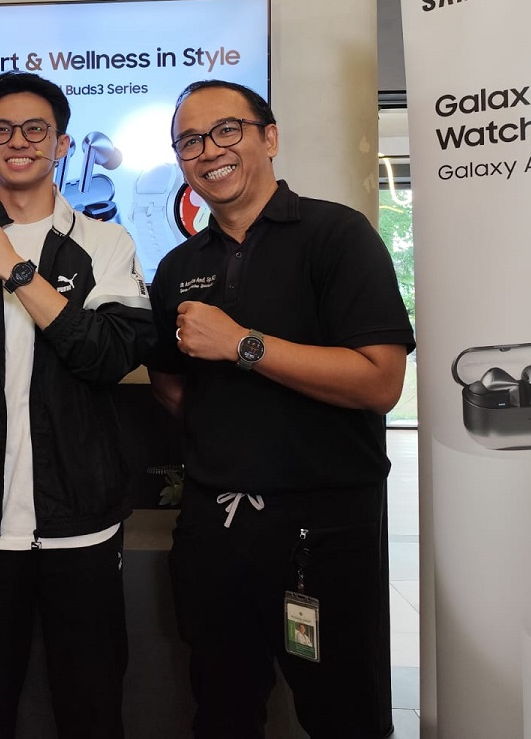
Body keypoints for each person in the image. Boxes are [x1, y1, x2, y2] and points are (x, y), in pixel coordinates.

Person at [145, 80, 414, 739]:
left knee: (342, 713)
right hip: (215, 530)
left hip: (323, 534)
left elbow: (381, 382)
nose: (209, 151)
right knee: (222, 710)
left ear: (268, 137)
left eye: (226, 130)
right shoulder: (178, 267)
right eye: (189, 141)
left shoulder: (337, 235)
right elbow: (172, 387)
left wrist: (242, 345)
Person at [0, 70, 156, 739]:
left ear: (62, 143)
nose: (19, 141)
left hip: (84, 528)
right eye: (3, 130)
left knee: (92, 709)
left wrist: (17, 271)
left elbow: (108, 356)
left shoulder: (107, 245)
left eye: (35, 129)